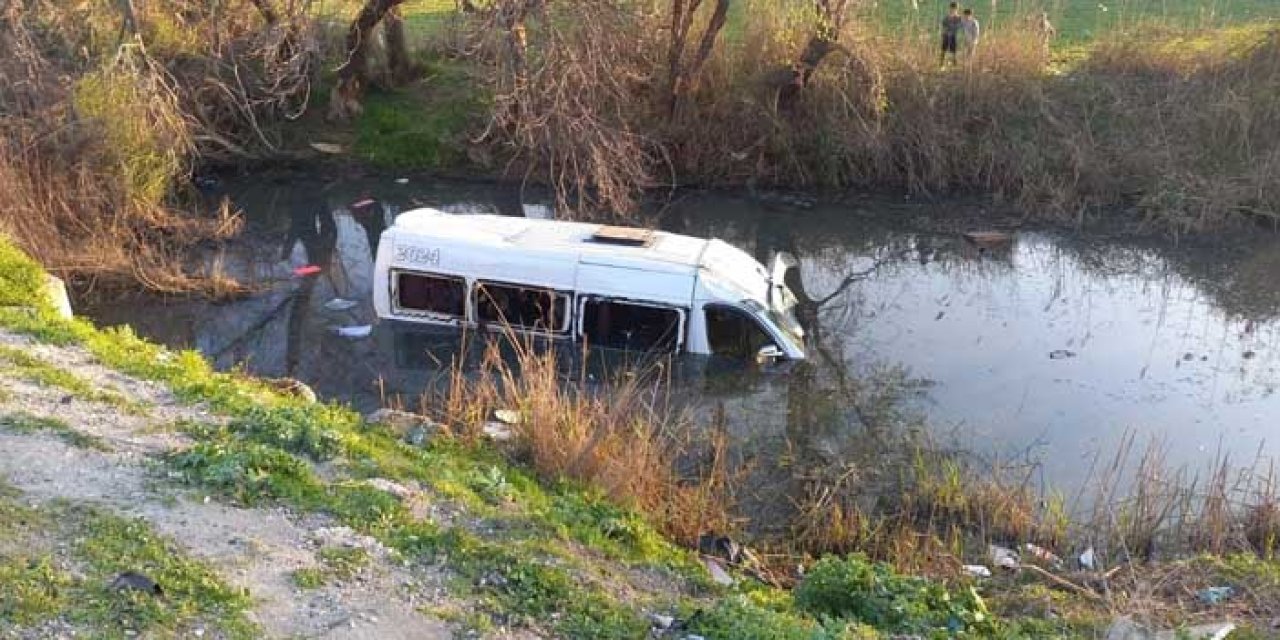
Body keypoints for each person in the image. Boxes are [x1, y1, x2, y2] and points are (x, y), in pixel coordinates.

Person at [940, 2, 962, 67]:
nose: (953, 10)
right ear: (949, 8)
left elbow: (959, 26)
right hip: (946, 35)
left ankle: (954, 64)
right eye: (951, 9)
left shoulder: (958, 18)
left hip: (954, 36)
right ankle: (941, 64)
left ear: (957, 9)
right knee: (944, 49)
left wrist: (952, 29)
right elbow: (943, 25)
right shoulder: (946, 17)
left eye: (954, 9)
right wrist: (945, 32)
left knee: (953, 50)